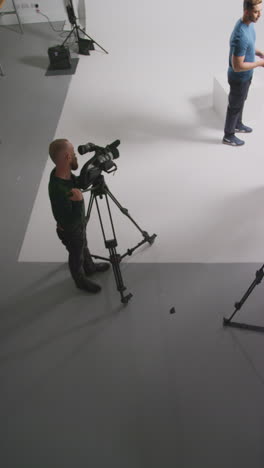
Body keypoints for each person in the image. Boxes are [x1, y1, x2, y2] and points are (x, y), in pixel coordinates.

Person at [48, 138, 109, 293]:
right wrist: (78, 201)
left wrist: (92, 176)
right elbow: (68, 221)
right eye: (74, 153)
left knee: (83, 245)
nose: (76, 155)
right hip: (70, 230)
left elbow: (76, 182)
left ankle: (90, 268)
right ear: (67, 158)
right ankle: (80, 280)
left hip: (78, 228)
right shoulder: (59, 191)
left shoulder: (61, 174)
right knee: (76, 255)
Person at [223, 0, 264, 146]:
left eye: (260, 11)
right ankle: (228, 135)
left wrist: (259, 53)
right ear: (246, 11)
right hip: (239, 78)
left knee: (241, 101)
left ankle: (238, 124)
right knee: (234, 106)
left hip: (246, 76)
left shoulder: (249, 25)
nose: (260, 15)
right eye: (256, 11)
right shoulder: (240, 35)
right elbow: (237, 66)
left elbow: (248, 47)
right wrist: (260, 63)